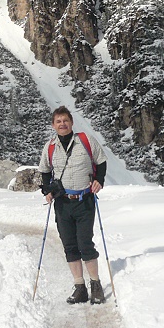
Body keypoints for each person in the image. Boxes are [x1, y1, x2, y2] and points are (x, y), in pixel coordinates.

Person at [39, 105, 107, 304]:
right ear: (53, 125)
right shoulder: (50, 146)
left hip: (84, 200)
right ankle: (80, 287)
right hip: (62, 203)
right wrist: (48, 189)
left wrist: (99, 180)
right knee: (69, 245)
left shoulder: (85, 141)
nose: (62, 124)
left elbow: (101, 161)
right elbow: (44, 170)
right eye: (58, 121)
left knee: (85, 243)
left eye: (65, 120)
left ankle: (95, 284)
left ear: (71, 123)